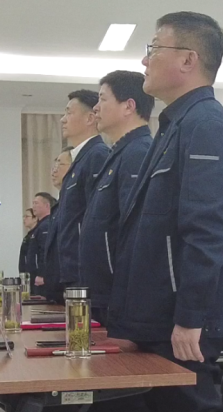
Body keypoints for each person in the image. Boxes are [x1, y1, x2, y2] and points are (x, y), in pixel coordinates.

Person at [106, 12, 223, 412]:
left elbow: (211, 232)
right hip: (158, 315)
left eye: (153, 49)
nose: (144, 60)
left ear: (188, 60)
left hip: (182, 320)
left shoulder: (207, 126)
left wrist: (191, 316)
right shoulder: (177, 125)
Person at [80, 70, 154, 324]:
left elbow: (135, 233)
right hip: (104, 290)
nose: (96, 107)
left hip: (118, 293)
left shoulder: (138, 153)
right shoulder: (121, 152)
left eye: (103, 99)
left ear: (128, 106)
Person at [56, 89, 110, 289]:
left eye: (69, 113)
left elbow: (97, 217)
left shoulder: (97, 155)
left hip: (85, 270)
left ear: (90, 118)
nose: (63, 119)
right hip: (73, 269)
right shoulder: (81, 158)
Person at [41, 148, 72, 303]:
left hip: (69, 281)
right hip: (55, 284)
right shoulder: (59, 204)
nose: (54, 170)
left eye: (60, 164)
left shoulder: (74, 203)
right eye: (54, 165)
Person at [26, 193, 55, 295]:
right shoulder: (40, 226)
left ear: (47, 205)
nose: (33, 206)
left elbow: (45, 251)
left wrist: (42, 275)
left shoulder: (47, 225)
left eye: (36, 203)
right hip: (35, 277)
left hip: (41, 278)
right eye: (33, 203)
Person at [19, 208, 36, 275]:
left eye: (27, 216)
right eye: (24, 217)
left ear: (35, 219)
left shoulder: (36, 235)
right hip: (25, 273)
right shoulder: (27, 237)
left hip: (34, 273)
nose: (24, 219)